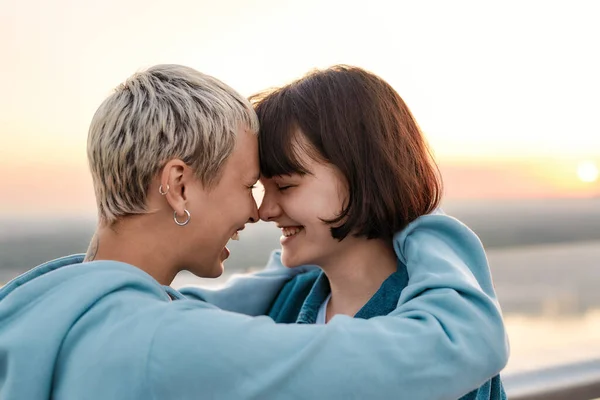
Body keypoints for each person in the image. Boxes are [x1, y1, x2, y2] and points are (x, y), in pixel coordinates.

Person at [0, 64, 508, 400]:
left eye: (280, 185)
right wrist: (431, 231)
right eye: (251, 184)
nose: (259, 211)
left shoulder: (49, 309)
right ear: (178, 186)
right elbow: (450, 343)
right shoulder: (165, 341)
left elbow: (208, 306)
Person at [181, 66, 507, 399]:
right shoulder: (285, 303)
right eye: (263, 189)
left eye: (285, 186)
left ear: (365, 173)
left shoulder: (444, 337)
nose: (265, 211)